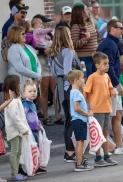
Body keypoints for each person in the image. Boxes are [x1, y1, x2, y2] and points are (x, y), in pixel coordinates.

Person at [97, 19, 123, 155]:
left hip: (112, 83)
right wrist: (116, 84)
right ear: (112, 29)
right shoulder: (109, 45)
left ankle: (120, 145)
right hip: (109, 85)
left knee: (118, 114)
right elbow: (108, 67)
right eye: (120, 28)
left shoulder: (113, 44)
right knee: (110, 116)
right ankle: (108, 148)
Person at [50, 26, 83, 163]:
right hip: (69, 88)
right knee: (72, 120)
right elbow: (69, 73)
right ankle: (70, 151)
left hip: (59, 89)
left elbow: (53, 74)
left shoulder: (53, 53)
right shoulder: (68, 52)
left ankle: (69, 151)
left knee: (68, 119)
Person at [84, 52, 119, 166]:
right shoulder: (92, 77)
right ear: (97, 65)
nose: (107, 65)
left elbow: (110, 88)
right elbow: (86, 91)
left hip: (106, 108)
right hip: (96, 109)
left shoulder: (106, 76)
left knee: (105, 134)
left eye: (108, 63)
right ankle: (98, 157)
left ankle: (106, 155)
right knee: (98, 134)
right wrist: (86, 106)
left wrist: (112, 92)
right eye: (105, 63)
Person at [32, 16, 63, 126]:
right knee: (44, 90)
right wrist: (43, 50)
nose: (45, 25)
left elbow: (55, 44)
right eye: (43, 23)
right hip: (42, 63)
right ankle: (45, 116)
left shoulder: (49, 35)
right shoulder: (34, 34)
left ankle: (58, 115)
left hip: (51, 63)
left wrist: (52, 50)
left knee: (55, 90)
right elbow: (34, 47)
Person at [2, 75, 29, 181]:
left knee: (18, 152)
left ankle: (16, 172)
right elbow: (14, 117)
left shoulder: (14, 99)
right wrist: (24, 129)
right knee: (15, 152)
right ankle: (15, 173)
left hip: (17, 130)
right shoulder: (13, 101)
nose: (20, 85)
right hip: (14, 130)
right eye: (19, 83)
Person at [67, 70, 94, 172]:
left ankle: (80, 162)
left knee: (80, 142)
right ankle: (79, 164)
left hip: (78, 120)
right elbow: (76, 108)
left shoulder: (73, 92)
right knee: (80, 142)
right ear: (75, 80)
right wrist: (87, 113)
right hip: (80, 120)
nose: (84, 80)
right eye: (82, 78)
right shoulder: (76, 93)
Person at [22, 79, 47, 175]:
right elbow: (23, 117)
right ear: (24, 94)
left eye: (34, 91)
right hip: (30, 131)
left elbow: (33, 116)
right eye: (30, 91)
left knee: (37, 148)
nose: (33, 93)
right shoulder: (26, 104)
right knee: (32, 149)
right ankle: (33, 167)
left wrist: (38, 123)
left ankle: (36, 166)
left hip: (35, 130)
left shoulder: (32, 104)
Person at [7, 26, 41, 94]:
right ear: (16, 35)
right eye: (23, 34)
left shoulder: (29, 47)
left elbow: (38, 64)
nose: (25, 35)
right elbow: (20, 68)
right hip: (22, 82)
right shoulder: (13, 49)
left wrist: (38, 76)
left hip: (34, 81)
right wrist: (36, 75)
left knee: (34, 102)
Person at [71, 4, 98, 77]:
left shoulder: (89, 24)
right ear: (79, 14)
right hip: (84, 58)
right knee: (87, 80)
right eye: (84, 11)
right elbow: (74, 44)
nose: (87, 12)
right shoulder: (76, 27)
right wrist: (85, 39)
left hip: (93, 57)